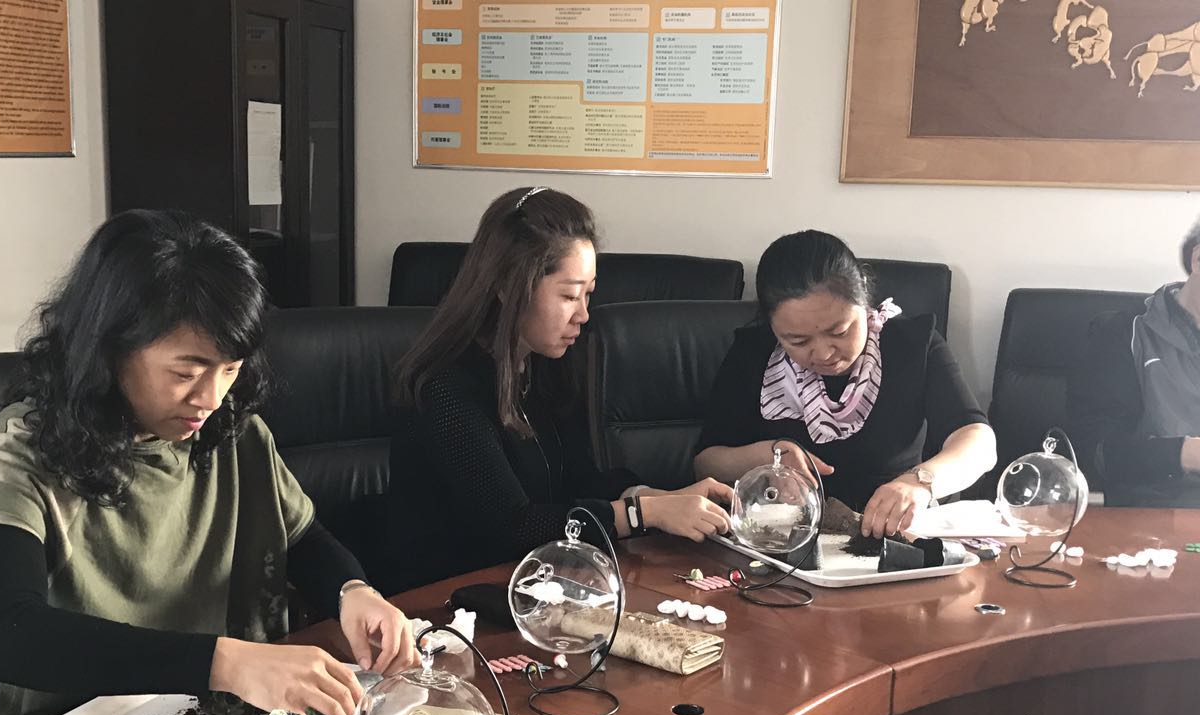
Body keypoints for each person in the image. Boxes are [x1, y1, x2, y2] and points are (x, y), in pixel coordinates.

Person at [0, 209, 416, 715]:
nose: (211, 398)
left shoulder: (233, 432)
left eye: (230, 370)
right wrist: (225, 663)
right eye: (186, 373)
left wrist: (352, 590)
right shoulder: (25, 453)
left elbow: (303, 539)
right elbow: (6, 635)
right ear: (110, 349)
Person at [387, 186, 732, 589]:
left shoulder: (546, 361)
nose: (583, 315)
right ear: (509, 286)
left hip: (538, 581)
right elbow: (514, 526)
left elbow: (581, 478)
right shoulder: (443, 386)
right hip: (448, 595)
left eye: (588, 294)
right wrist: (643, 513)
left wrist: (662, 498)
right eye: (569, 295)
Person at [694, 230, 996, 538]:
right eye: (798, 341)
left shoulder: (912, 344)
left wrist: (920, 482)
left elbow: (979, 442)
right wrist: (768, 457)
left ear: (863, 298)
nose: (823, 354)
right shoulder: (754, 352)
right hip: (781, 540)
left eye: (839, 332)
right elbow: (706, 463)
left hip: (891, 539)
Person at [1068, 219, 1200, 507]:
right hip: (1153, 510)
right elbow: (1097, 453)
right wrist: (1186, 453)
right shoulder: (1122, 334)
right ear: (1197, 259)